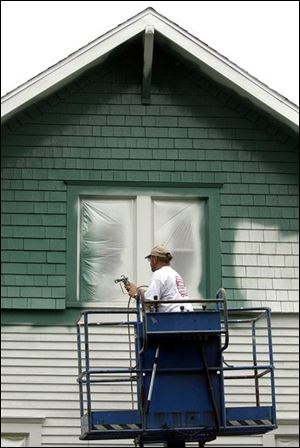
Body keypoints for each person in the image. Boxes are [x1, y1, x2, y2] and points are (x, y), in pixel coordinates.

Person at [126, 244, 194, 312]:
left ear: (155, 259)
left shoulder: (158, 274)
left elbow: (150, 303)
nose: (150, 263)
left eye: (150, 259)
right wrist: (138, 290)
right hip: (188, 314)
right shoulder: (175, 274)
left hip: (174, 317)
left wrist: (135, 294)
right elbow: (164, 295)